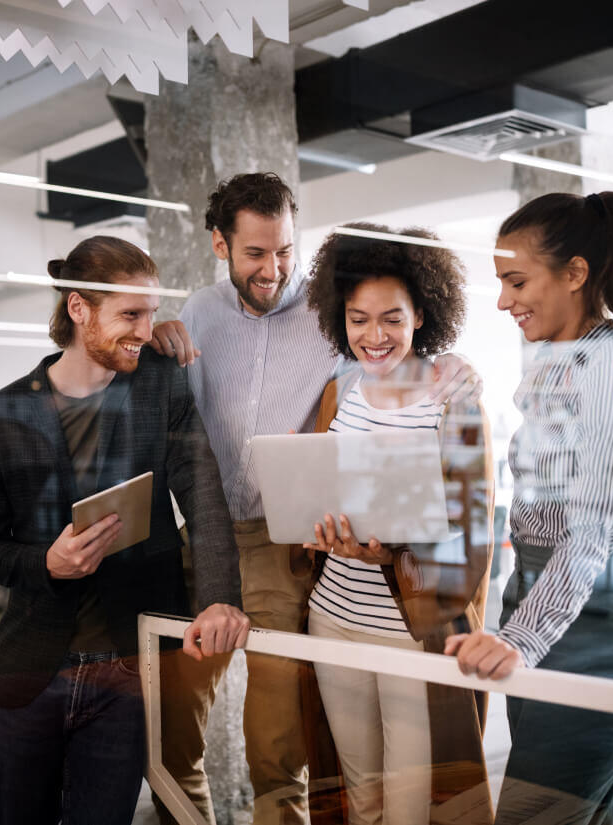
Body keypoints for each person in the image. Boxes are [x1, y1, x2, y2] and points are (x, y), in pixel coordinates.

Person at [149, 173, 479, 825]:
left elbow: (389, 355)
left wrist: (453, 361)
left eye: (285, 250)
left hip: (285, 541)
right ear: (220, 244)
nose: (273, 269)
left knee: (276, 736)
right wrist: (158, 338)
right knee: (168, 729)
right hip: (208, 533)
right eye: (255, 253)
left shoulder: (327, 316)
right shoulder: (198, 312)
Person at [0, 236, 250, 825]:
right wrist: (46, 563)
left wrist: (220, 599)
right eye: (131, 314)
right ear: (77, 310)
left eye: (150, 313)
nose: (147, 329)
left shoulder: (159, 386)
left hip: (129, 669)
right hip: (33, 670)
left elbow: (204, 497)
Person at [444, 191, 613, 824]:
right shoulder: (563, 361)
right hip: (554, 611)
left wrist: (520, 639)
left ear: (574, 274)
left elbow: (591, 529)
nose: (505, 300)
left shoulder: (608, 366)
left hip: (595, 629)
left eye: (516, 281)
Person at [300, 223, 494, 825]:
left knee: (411, 807)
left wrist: (388, 551)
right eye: (358, 319)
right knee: (358, 797)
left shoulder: (453, 400)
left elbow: (472, 530)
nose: (374, 336)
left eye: (391, 318)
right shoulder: (339, 392)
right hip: (332, 619)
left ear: (421, 315)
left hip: (411, 629)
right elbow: (318, 482)